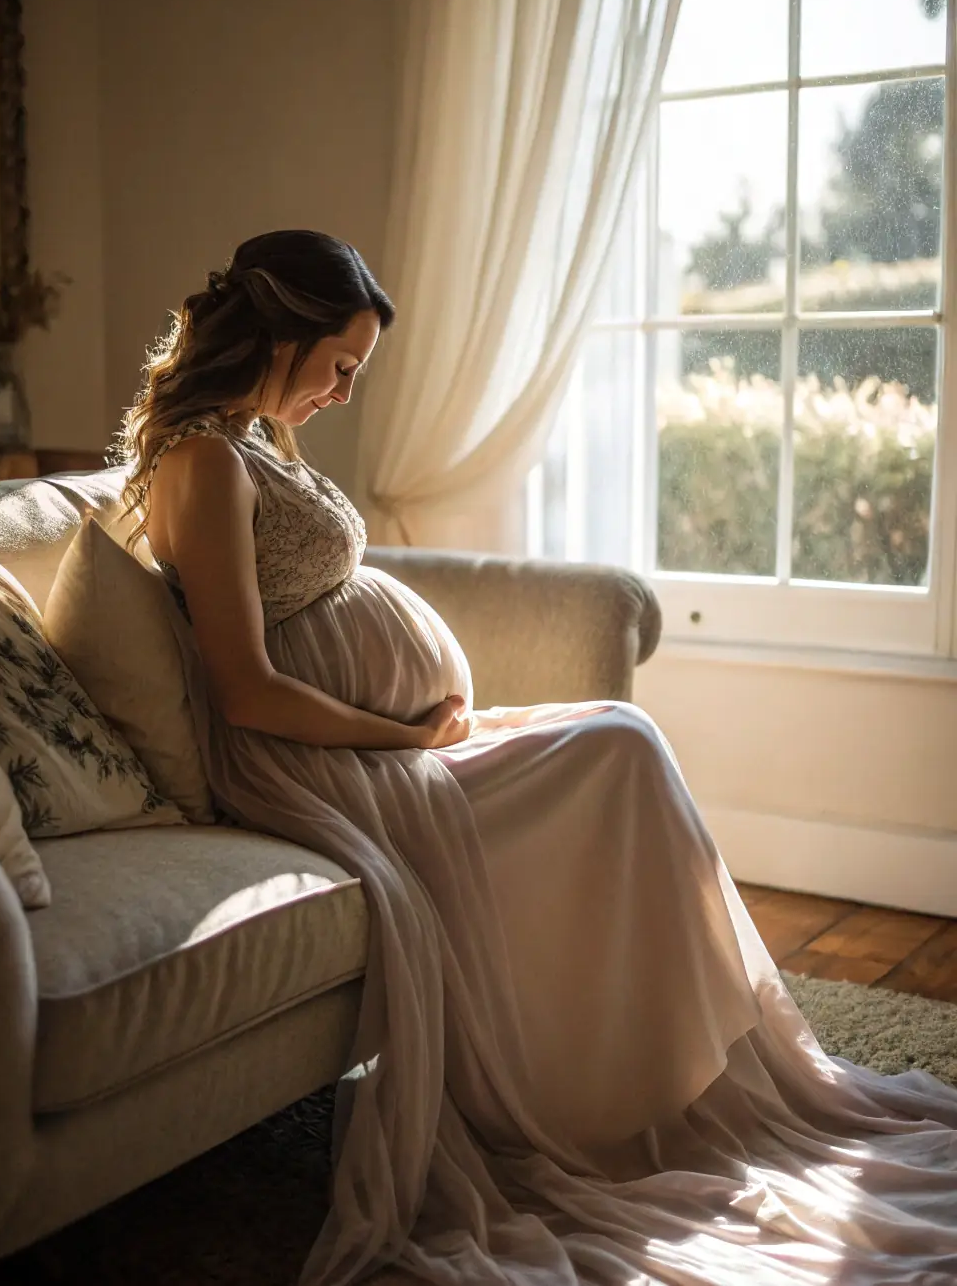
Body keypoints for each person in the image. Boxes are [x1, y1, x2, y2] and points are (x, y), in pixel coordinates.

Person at [118, 229, 957, 1286]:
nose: (342, 393)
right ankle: (622, 1094)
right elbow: (244, 688)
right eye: (339, 366)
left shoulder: (254, 438)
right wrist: (403, 733)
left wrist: (418, 714)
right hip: (318, 765)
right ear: (283, 336)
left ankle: (668, 1070)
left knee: (624, 735)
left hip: (378, 743)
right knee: (616, 749)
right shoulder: (202, 460)